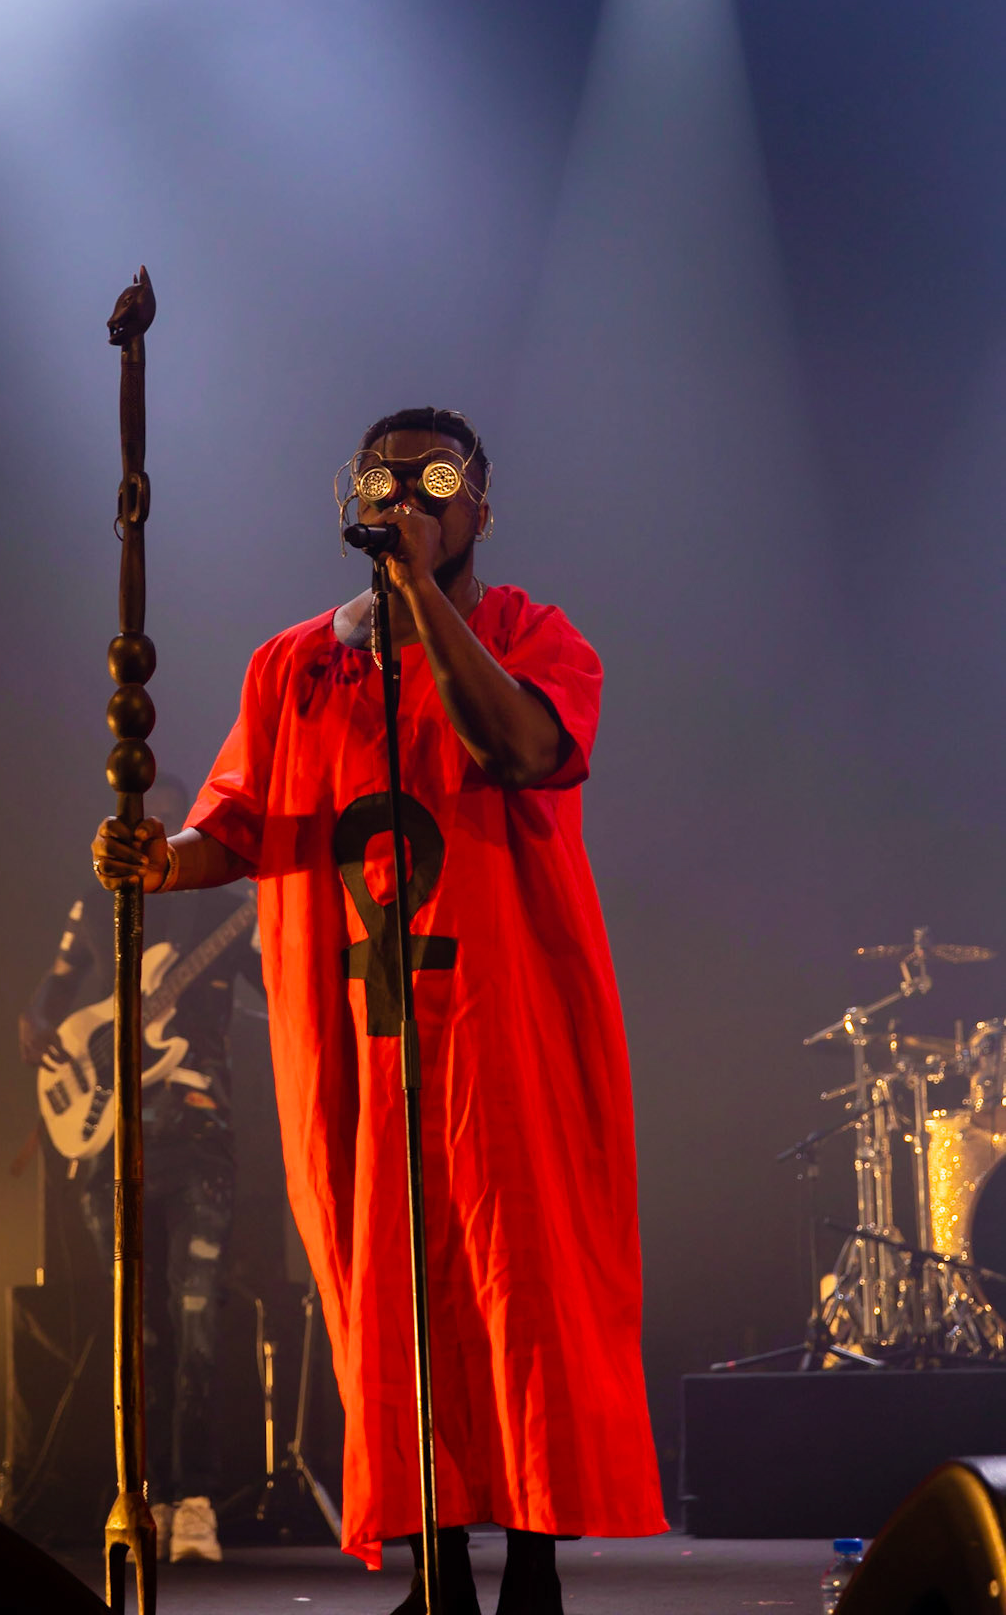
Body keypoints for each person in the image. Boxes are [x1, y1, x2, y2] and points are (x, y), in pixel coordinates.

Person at [92, 409, 667, 1615]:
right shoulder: (295, 663)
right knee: (384, 1284)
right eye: (381, 482)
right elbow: (242, 822)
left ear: (480, 509)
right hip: (360, 1029)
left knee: (525, 1285)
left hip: (506, 1019)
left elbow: (515, 743)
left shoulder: (530, 635)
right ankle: (438, 1564)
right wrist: (163, 858)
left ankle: (539, 1568)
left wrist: (416, 602)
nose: (404, 498)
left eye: (432, 482)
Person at [21, 773, 261, 1565]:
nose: (147, 824)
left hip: (200, 1135)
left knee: (198, 1316)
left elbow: (287, 982)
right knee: (136, 1330)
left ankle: (194, 1499)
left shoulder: (229, 909)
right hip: (109, 1140)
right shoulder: (96, 902)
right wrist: (44, 1030)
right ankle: (140, 1494)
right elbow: (47, 1000)